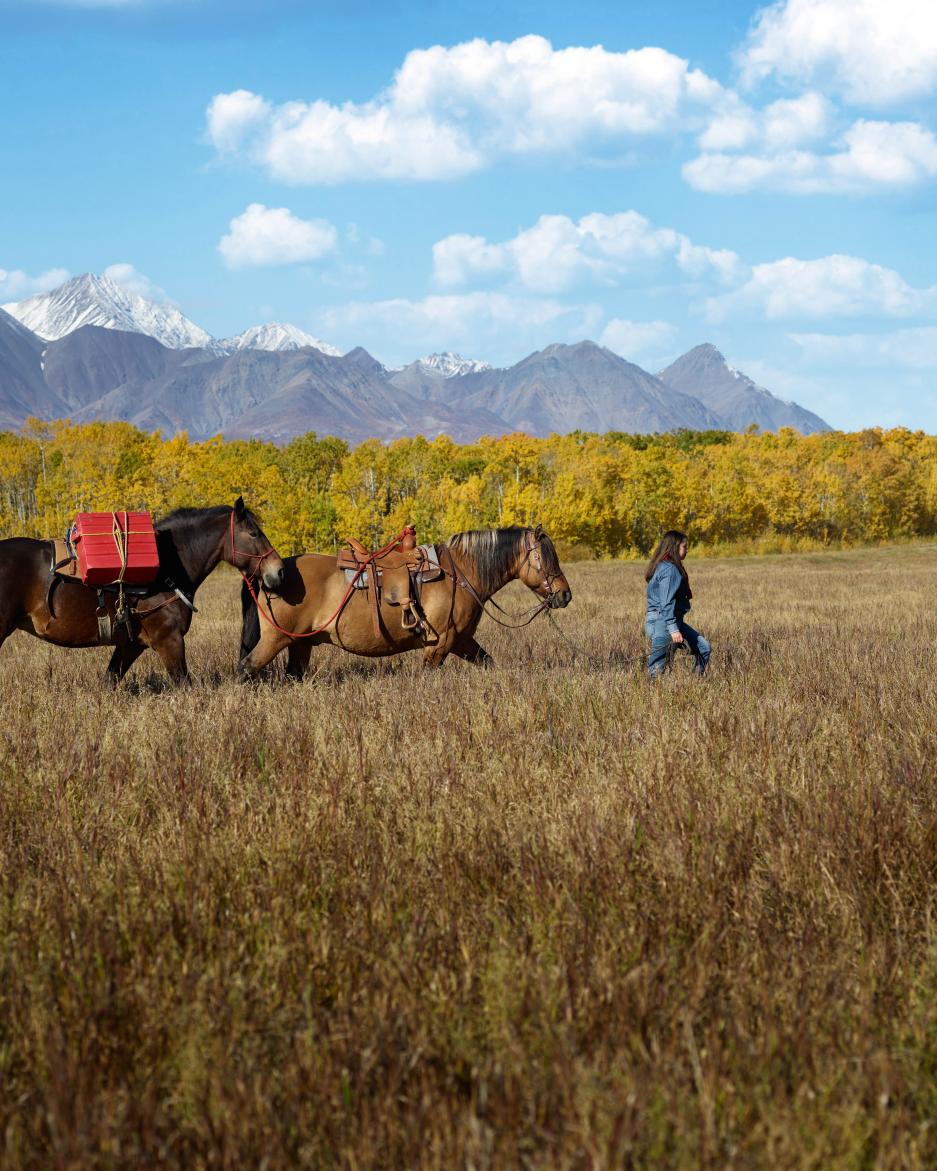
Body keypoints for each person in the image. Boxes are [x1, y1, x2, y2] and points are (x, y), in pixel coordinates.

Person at [644, 530, 710, 678]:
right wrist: (673, 630)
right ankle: (652, 698)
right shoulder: (669, 570)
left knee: (704, 648)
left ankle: (695, 684)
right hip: (664, 621)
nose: (687, 550)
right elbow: (666, 603)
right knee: (658, 669)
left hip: (668, 620)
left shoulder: (665, 566)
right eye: (684, 546)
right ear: (675, 547)